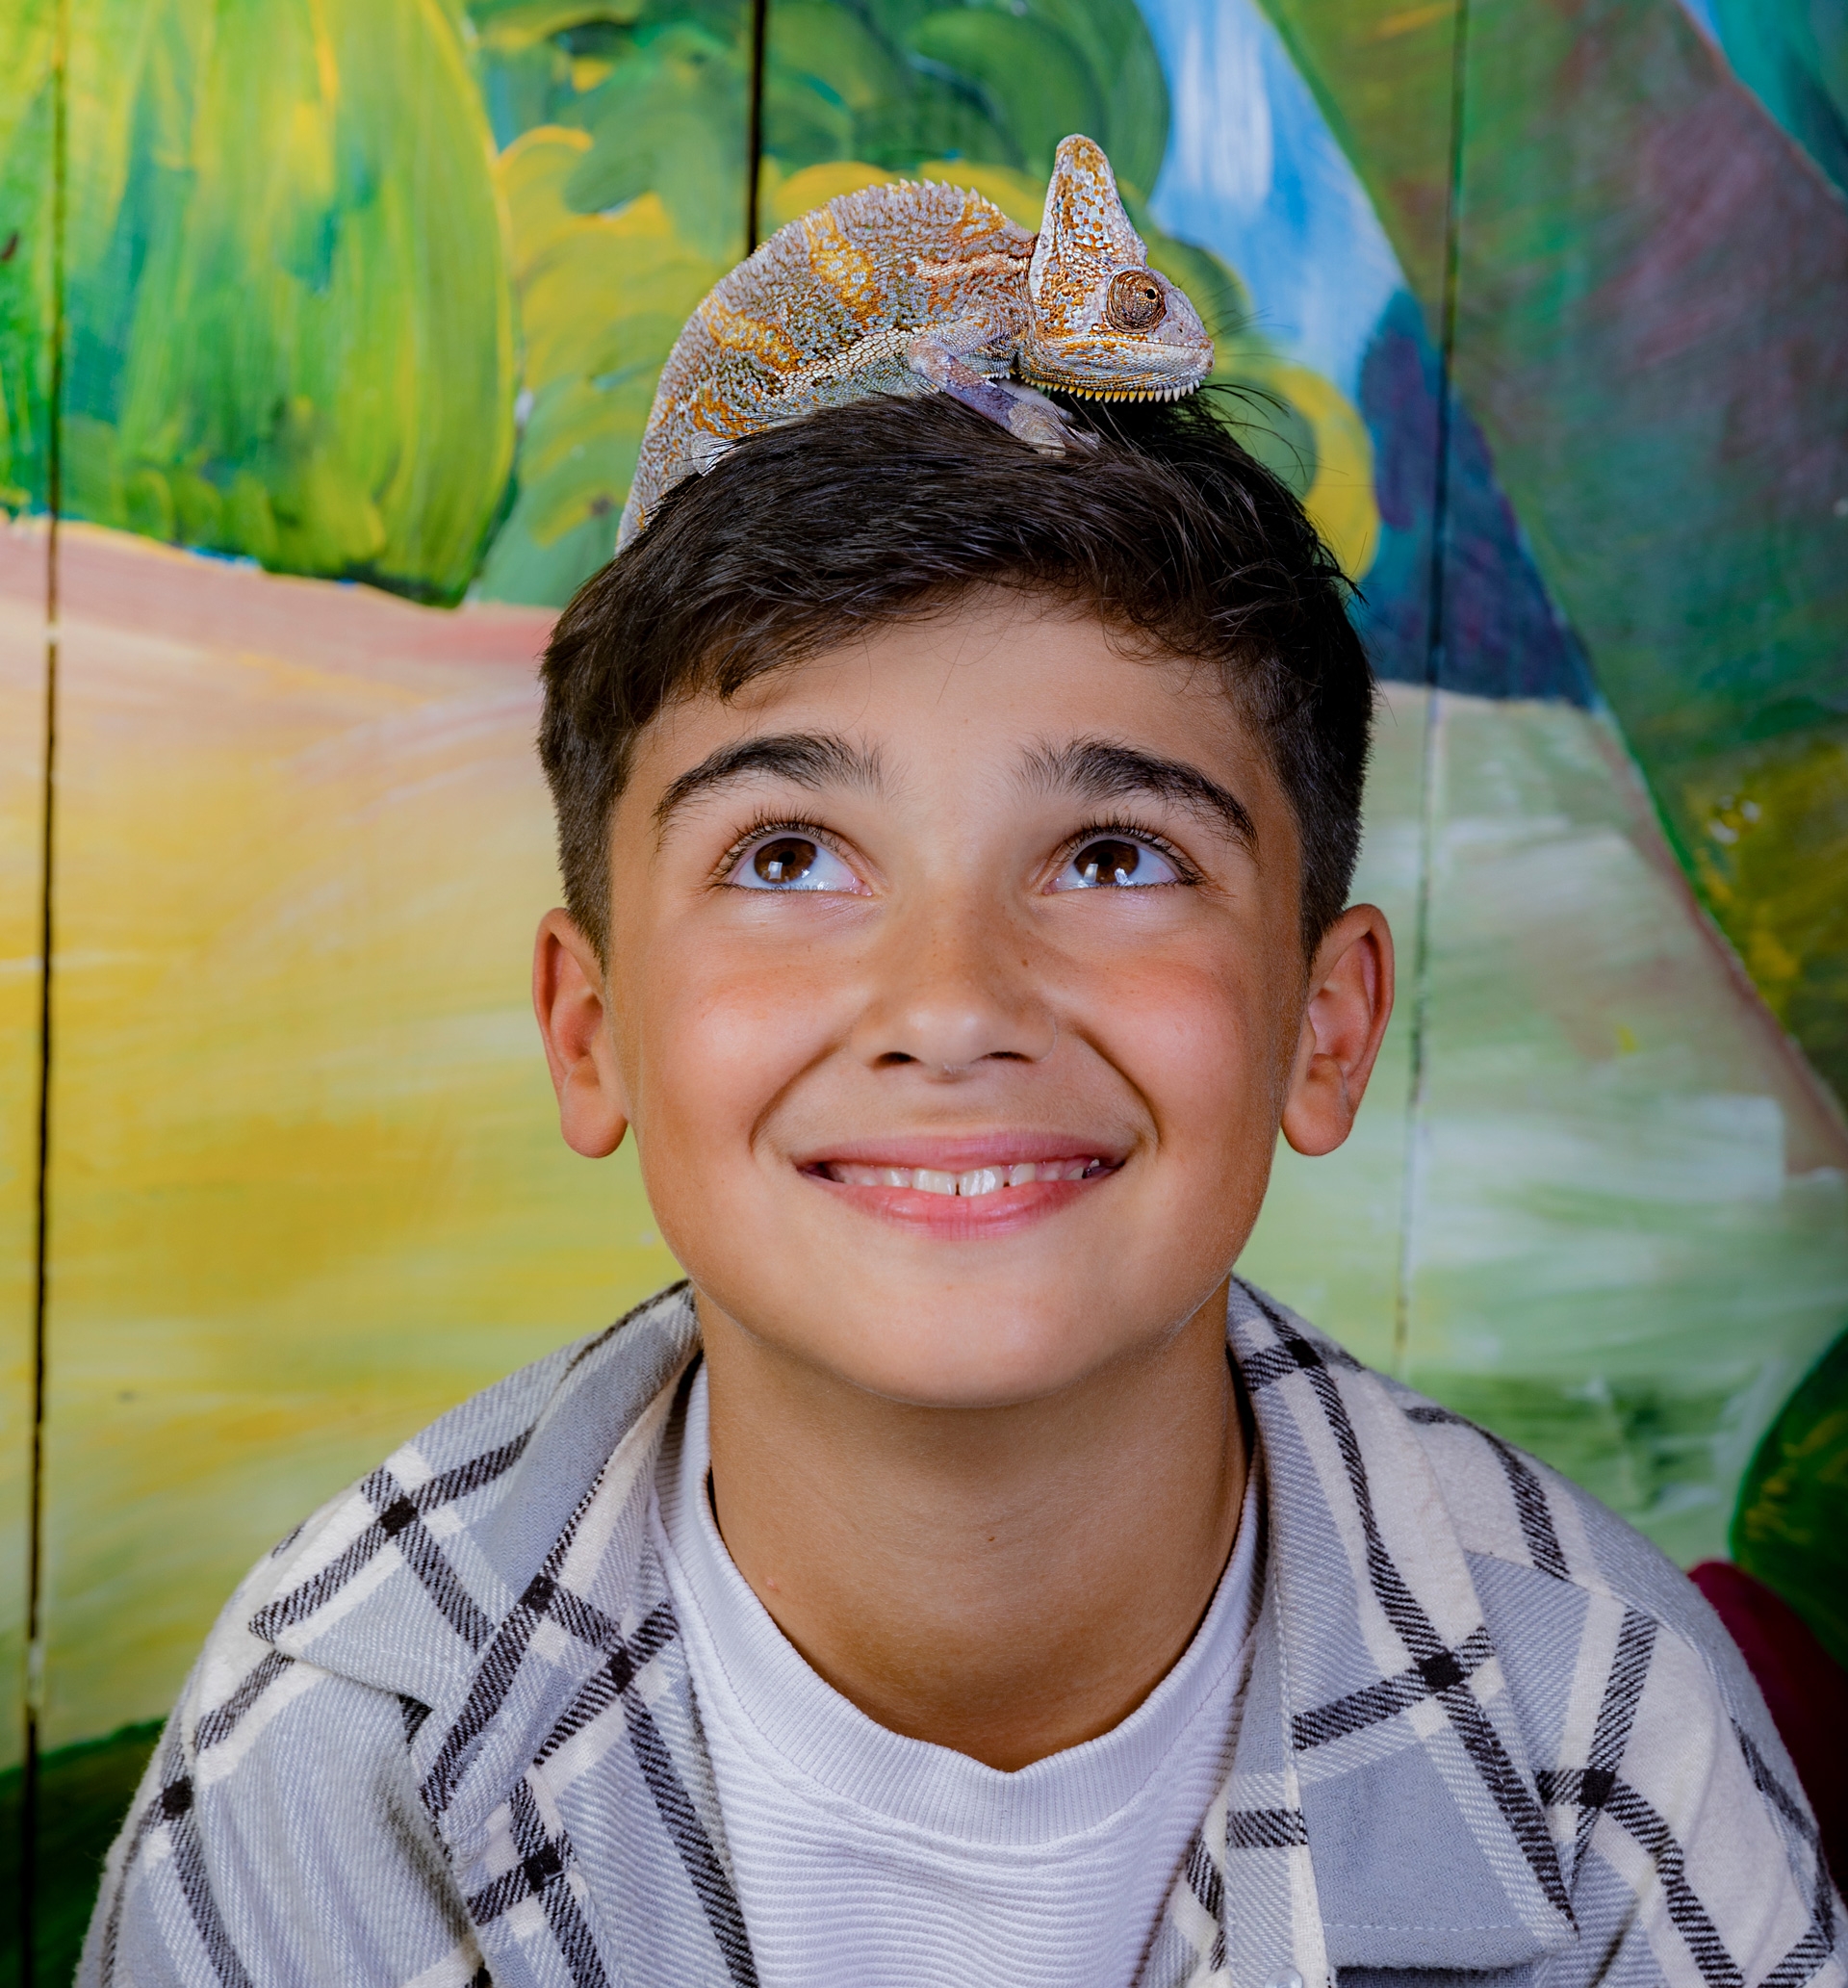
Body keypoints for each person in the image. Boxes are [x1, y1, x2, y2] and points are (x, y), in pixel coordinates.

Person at [83, 395, 1838, 1988]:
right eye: (787, 856)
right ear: (591, 1028)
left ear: (1325, 1022)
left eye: (1115, 856)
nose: (952, 1003)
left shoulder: (1604, 1731)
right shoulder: (343, 1740)